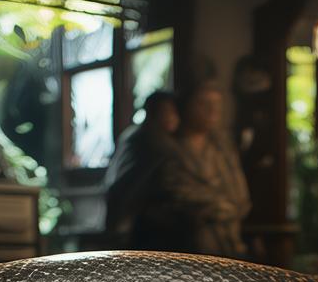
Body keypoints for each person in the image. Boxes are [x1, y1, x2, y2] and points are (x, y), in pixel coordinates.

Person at [146, 82, 251, 258]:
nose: (213, 110)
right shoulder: (167, 150)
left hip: (230, 247)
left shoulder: (222, 148)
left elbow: (240, 197)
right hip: (186, 252)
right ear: (185, 107)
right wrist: (214, 206)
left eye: (217, 104)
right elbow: (177, 196)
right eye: (203, 103)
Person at [104, 91, 180, 248]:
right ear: (153, 113)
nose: (172, 117)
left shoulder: (134, 134)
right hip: (142, 221)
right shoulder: (151, 140)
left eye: (174, 112)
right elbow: (131, 183)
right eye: (166, 112)